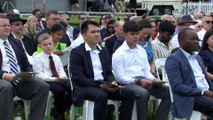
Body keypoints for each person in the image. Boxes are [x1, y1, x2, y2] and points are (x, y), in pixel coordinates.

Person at [69, 20, 134, 120]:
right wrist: (100, 85)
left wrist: (112, 81)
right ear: (84, 35)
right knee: (101, 95)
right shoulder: (77, 52)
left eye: (98, 31)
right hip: (85, 86)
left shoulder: (103, 51)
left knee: (129, 93)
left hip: (104, 84)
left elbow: (108, 72)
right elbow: (79, 78)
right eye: (93, 32)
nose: (97, 34)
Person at [112, 21, 171, 120]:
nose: (136, 37)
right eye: (132, 34)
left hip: (144, 82)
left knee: (168, 92)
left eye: (137, 34)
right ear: (125, 34)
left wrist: (154, 80)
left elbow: (146, 72)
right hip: (127, 85)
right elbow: (119, 77)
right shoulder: (119, 53)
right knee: (143, 93)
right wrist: (137, 81)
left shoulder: (142, 51)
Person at [0, 15, 49, 120]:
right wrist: (4, 75)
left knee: (42, 86)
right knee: (6, 87)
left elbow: (26, 64)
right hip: (2, 79)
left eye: (8, 25)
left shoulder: (16, 42)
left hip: (19, 79)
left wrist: (29, 73)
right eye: (3, 26)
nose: (7, 28)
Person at [165, 28, 213, 119]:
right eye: (192, 39)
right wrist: (203, 92)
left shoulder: (197, 57)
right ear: (181, 41)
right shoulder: (174, 59)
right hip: (190, 97)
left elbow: (205, 78)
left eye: (197, 39)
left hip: (207, 92)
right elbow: (177, 86)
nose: (196, 42)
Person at [33, 33, 71, 120]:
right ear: (40, 46)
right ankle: (59, 112)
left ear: (53, 44)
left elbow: (60, 69)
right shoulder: (38, 58)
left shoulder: (56, 57)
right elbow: (39, 74)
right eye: (45, 45)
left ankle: (59, 109)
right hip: (47, 80)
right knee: (60, 91)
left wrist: (63, 77)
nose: (48, 47)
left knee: (72, 87)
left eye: (50, 44)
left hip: (58, 78)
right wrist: (54, 79)